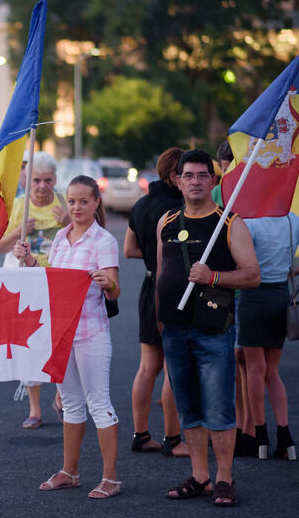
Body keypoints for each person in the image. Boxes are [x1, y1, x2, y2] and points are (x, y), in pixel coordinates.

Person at [156, 149, 260, 506]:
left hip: (213, 330)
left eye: (203, 175)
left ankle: (224, 479)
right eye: (189, 176)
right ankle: (200, 476)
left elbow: (252, 274)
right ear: (177, 180)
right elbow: (161, 272)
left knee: (218, 409)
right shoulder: (166, 221)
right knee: (188, 407)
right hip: (173, 329)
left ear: (213, 182)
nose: (196, 182)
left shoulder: (230, 222)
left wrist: (213, 276)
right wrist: (160, 318)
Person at [14, 175, 122, 499]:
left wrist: (108, 283)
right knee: (72, 404)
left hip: (91, 332)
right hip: (61, 333)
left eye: (83, 201)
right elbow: (52, 280)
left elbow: (116, 290)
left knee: (98, 402)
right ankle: (69, 471)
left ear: (96, 203)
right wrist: (31, 260)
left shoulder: (104, 241)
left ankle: (111, 478)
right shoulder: (61, 237)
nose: (76, 207)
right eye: (72, 201)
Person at [0, 151, 69, 428]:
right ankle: (35, 409)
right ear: (27, 180)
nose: (42, 186)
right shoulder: (17, 205)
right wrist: (18, 232)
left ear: (55, 180)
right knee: (29, 343)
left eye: (48, 180)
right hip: (24, 285)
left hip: (57, 283)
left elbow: (85, 236)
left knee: (60, 341)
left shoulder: (65, 203)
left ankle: (62, 398)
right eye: (37, 180)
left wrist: (67, 224)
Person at [124, 147, 189, 457]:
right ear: (175, 176)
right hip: (173, 288)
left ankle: (140, 434)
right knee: (173, 366)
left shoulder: (141, 204)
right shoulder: (179, 207)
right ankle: (173, 439)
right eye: (188, 173)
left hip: (149, 284)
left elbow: (128, 250)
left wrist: (152, 255)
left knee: (147, 367)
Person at [240, 212, 299, 460]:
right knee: (272, 371)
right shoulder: (292, 219)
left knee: (254, 370)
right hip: (280, 296)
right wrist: (296, 269)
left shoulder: (249, 222)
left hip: (252, 297)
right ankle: (285, 438)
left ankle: (260, 437)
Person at [213, 140, 255, 457]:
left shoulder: (224, 193)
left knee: (239, 362)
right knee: (245, 363)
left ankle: (247, 428)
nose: (228, 172)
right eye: (225, 166)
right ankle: (249, 428)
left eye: (229, 165)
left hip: (228, 286)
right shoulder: (226, 193)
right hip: (235, 287)